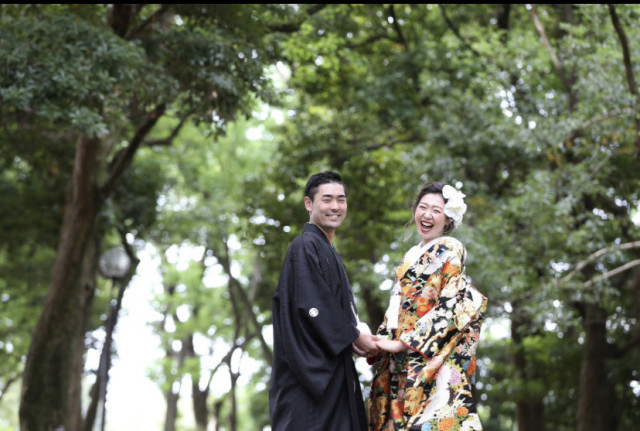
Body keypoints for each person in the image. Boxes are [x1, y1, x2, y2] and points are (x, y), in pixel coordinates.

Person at [368, 181, 488, 431]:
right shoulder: (410, 255)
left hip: (429, 358)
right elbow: (395, 307)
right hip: (400, 359)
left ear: (448, 220)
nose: (427, 215)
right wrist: (379, 342)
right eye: (423, 207)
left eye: (436, 210)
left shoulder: (451, 249)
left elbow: (453, 307)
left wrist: (404, 342)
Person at [269, 171, 379, 431]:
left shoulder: (325, 249)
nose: (335, 207)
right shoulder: (304, 246)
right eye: (327, 199)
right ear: (309, 204)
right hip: (309, 385)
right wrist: (353, 335)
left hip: (331, 380)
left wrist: (357, 331)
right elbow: (312, 305)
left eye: (341, 200)